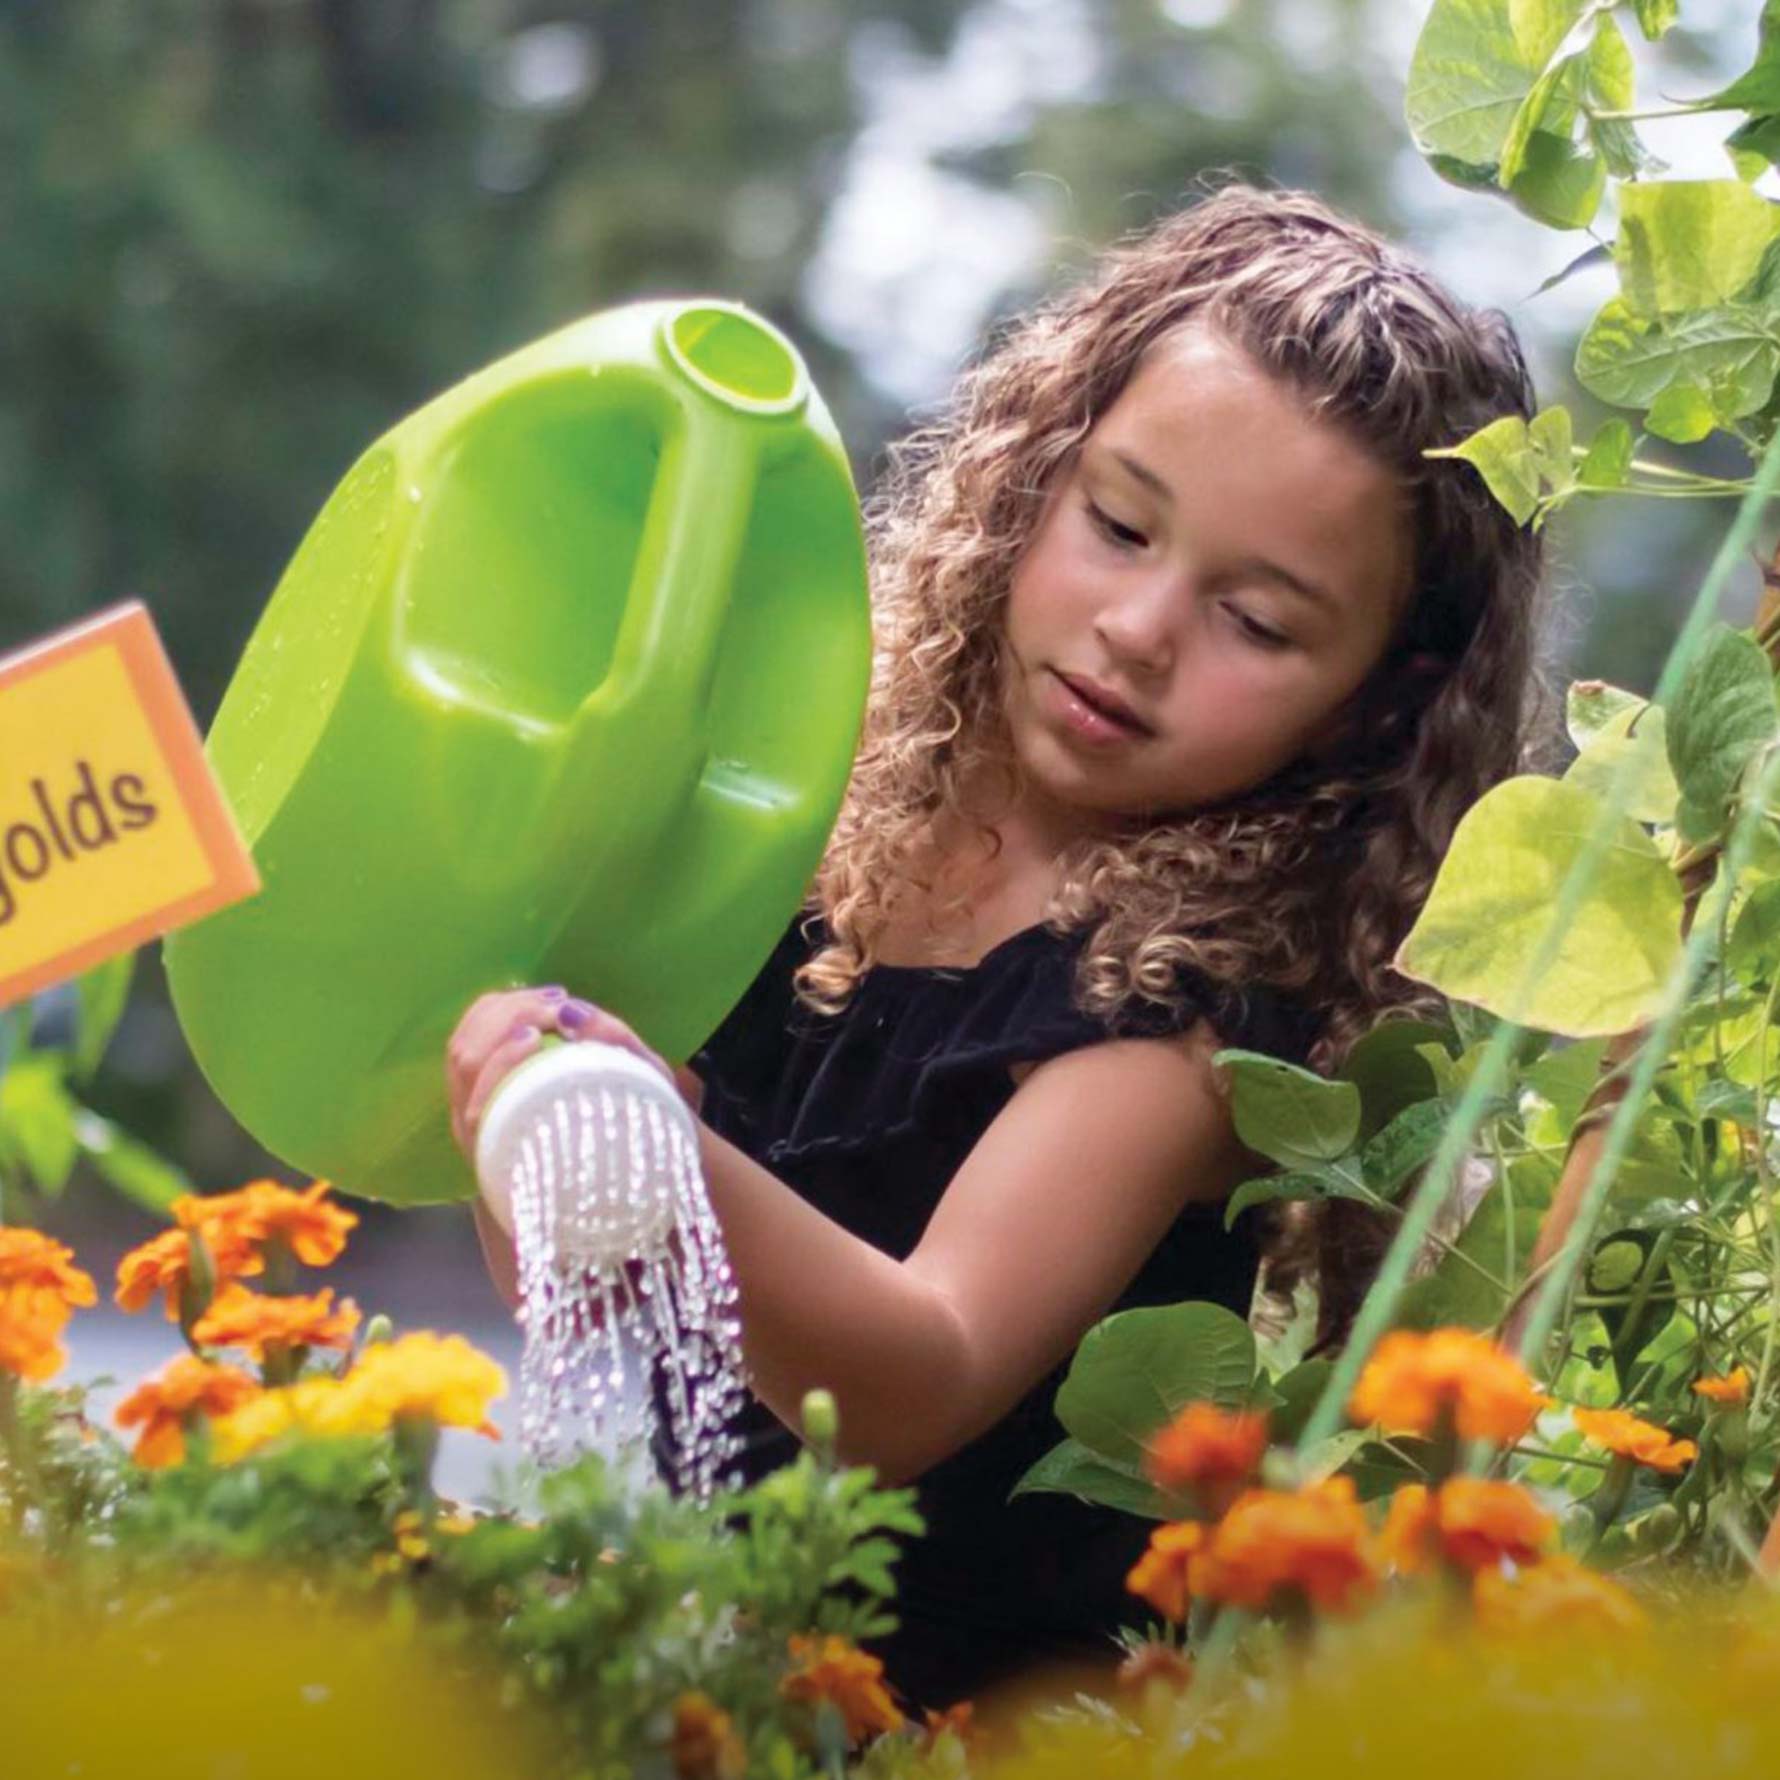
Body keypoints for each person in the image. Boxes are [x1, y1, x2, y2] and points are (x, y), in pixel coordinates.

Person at [444, 179, 1561, 1710]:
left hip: (949, 1730)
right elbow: (616, 1309)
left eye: (1259, 620)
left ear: (1381, 697)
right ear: (1036, 470)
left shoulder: (1197, 1018)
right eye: (1118, 524)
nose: (1139, 628)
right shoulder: (812, 820)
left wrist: (646, 1137)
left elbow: (920, 1372)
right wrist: (544, 1115)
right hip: (693, 1683)